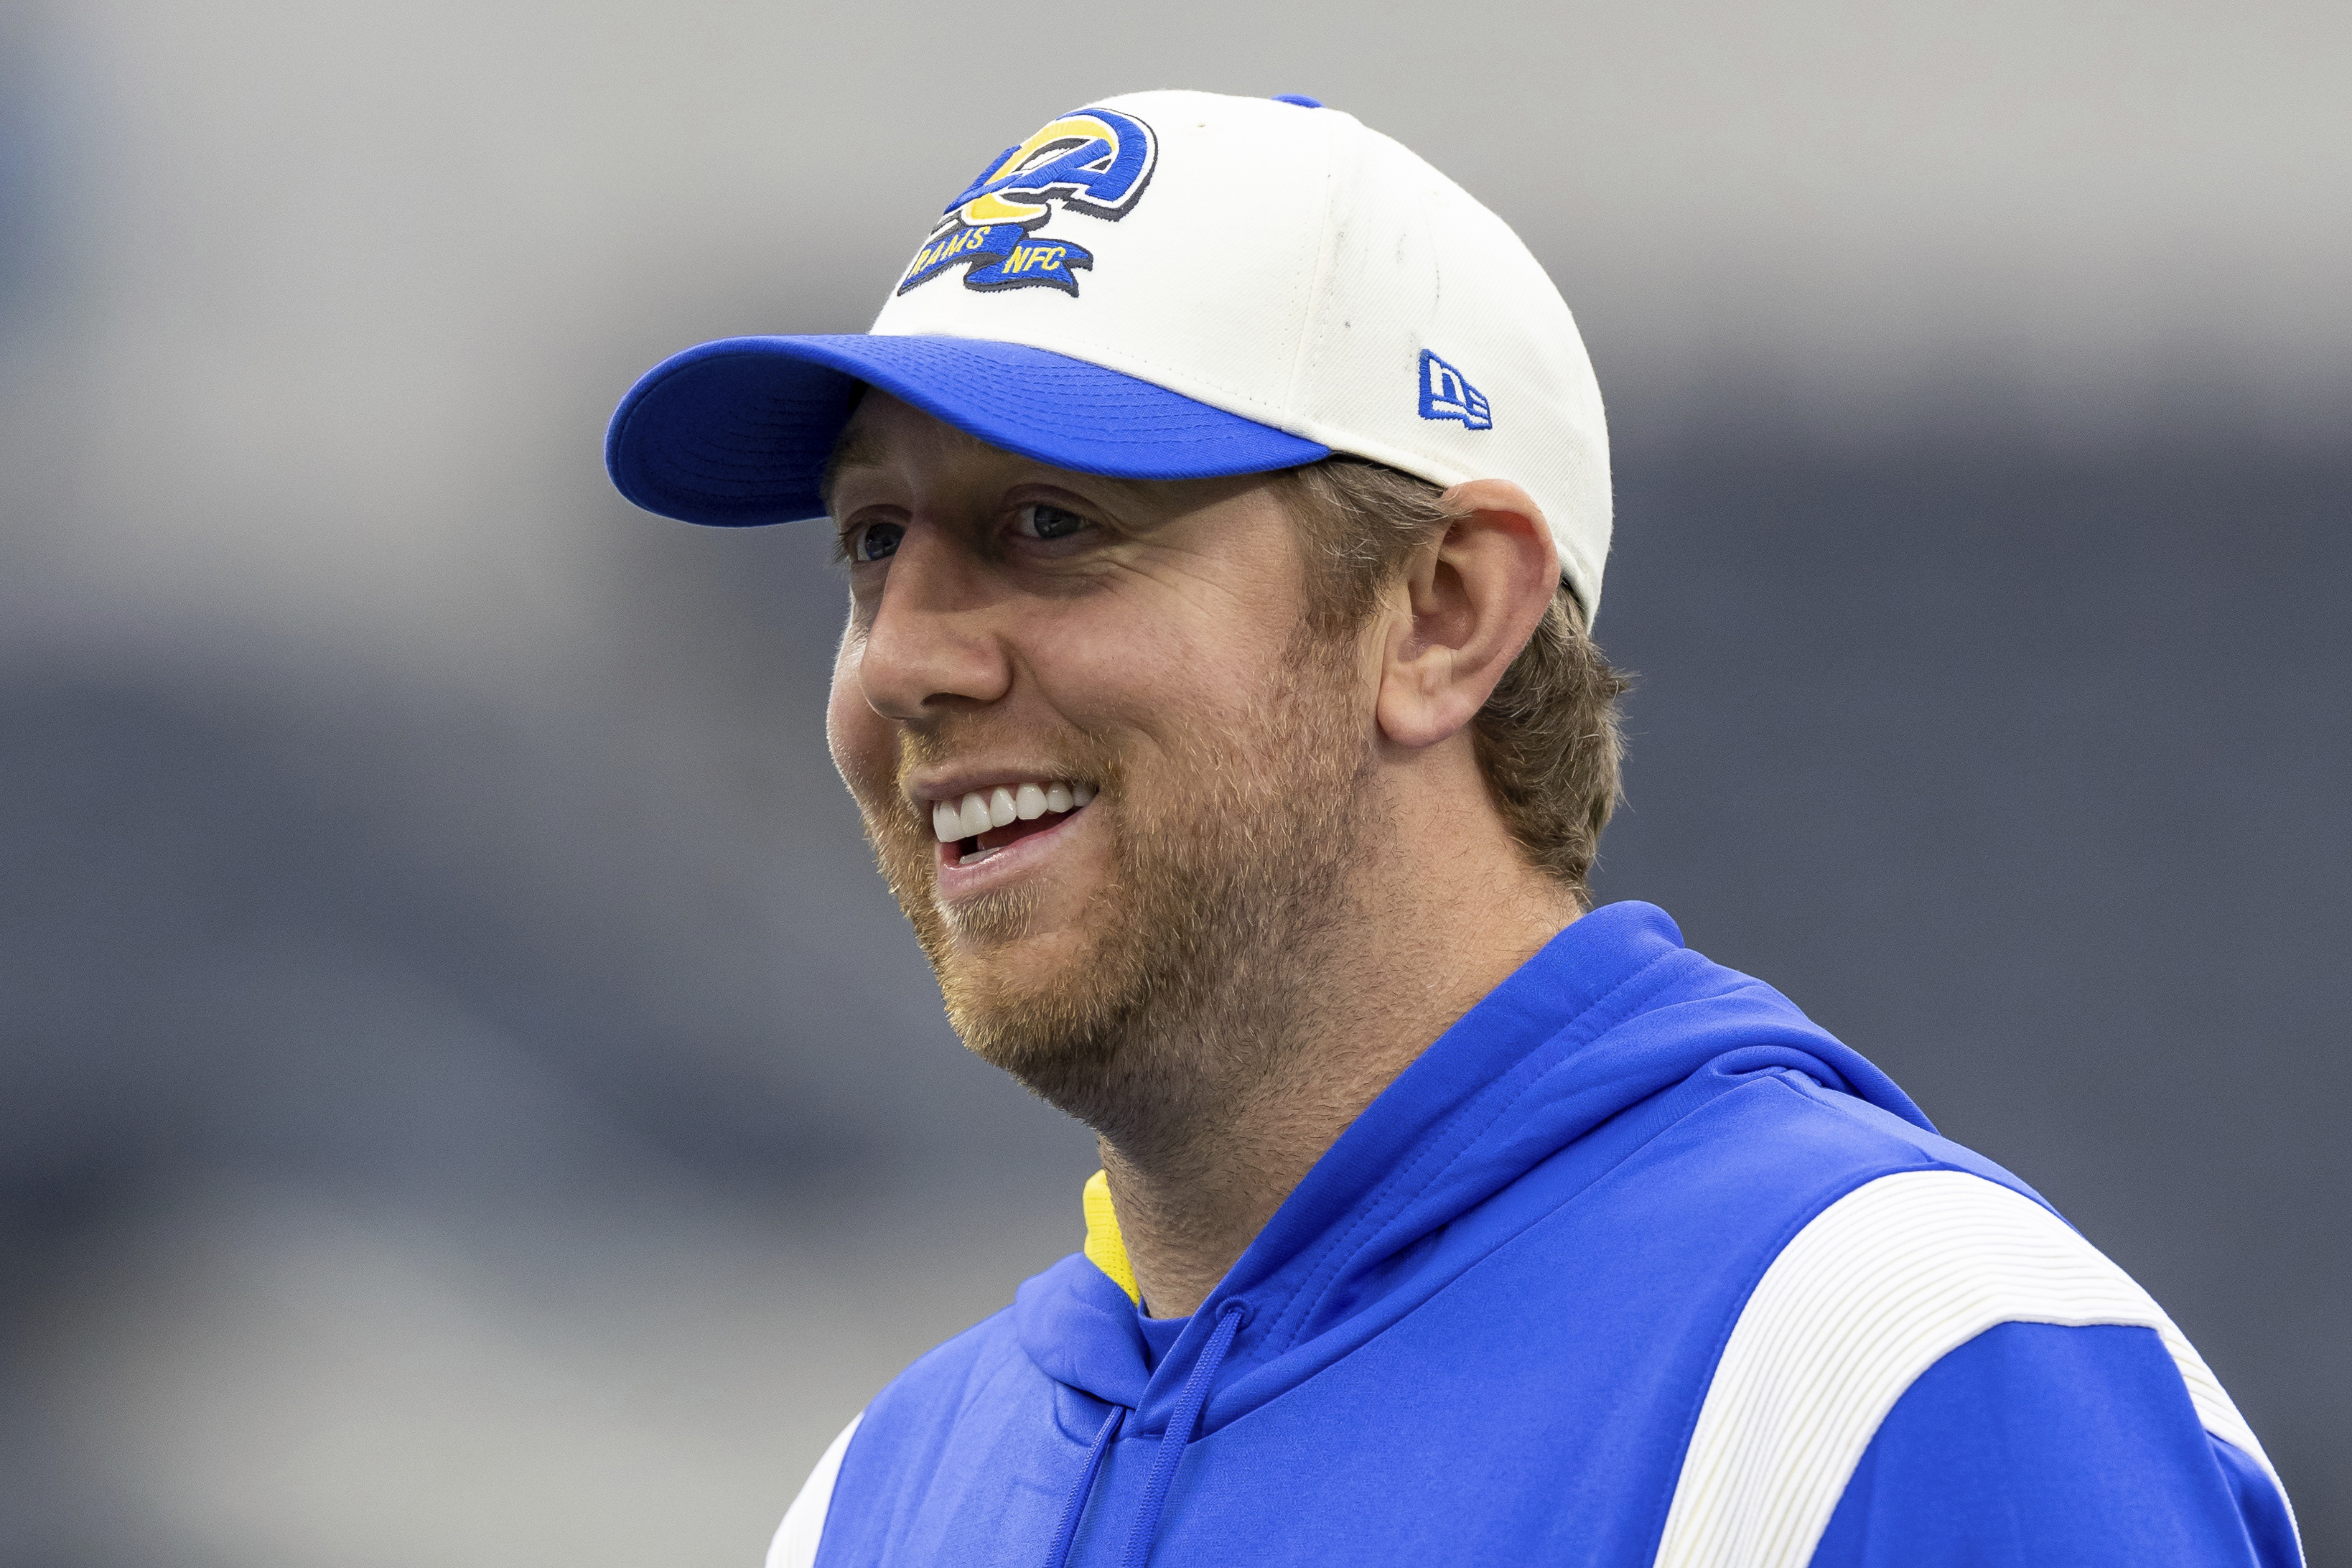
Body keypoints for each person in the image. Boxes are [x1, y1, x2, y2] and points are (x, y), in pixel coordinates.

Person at [605, 90, 2301, 1568]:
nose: (901, 660)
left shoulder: (1902, 1369)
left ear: (1442, 614)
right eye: (872, 543)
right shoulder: (877, 1498)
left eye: (1049, 523)